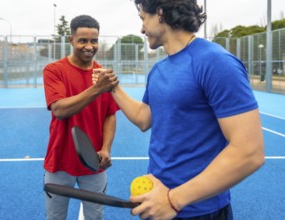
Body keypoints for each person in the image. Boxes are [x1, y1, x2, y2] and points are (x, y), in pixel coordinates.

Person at [93, 0, 265, 219]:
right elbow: (143, 118)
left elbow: (249, 152)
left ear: (160, 13)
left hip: (198, 209)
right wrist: (112, 87)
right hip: (158, 203)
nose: (142, 28)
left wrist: (174, 200)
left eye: (143, 18)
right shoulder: (159, 69)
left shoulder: (216, 62)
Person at [42, 15, 119, 220]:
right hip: (59, 162)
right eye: (82, 40)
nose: (89, 46)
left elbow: (110, 115)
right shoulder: (54, 70)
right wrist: (97, 88)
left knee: (95, 217)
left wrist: (106, 148)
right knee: (55, 217)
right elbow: (59, 110)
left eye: (94, 40)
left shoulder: (103, 75)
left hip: (94, 164)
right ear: (71, 40)